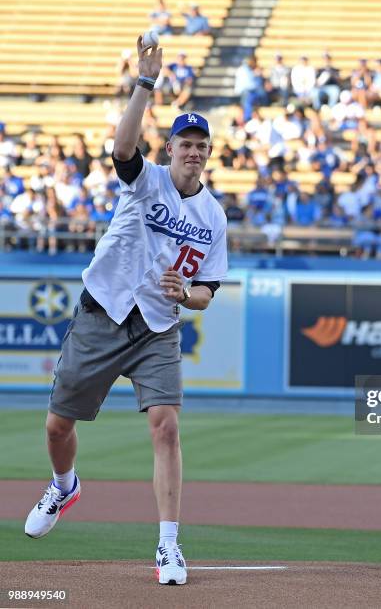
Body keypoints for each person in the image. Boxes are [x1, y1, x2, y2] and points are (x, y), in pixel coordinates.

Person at [23, 36, 228, 587]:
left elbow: (210, 289)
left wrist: (188, 296)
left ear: (208, 153)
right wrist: (145, 82)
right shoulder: (146, 182)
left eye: (199, 144)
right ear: (169, 151)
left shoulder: (213, 216)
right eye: (183, 142)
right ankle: (64, 486)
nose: (191, 151)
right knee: (57, 425)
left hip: (158, 326)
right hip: (103, 310)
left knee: (166, 427)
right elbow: (120, 148)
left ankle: (167, 547)